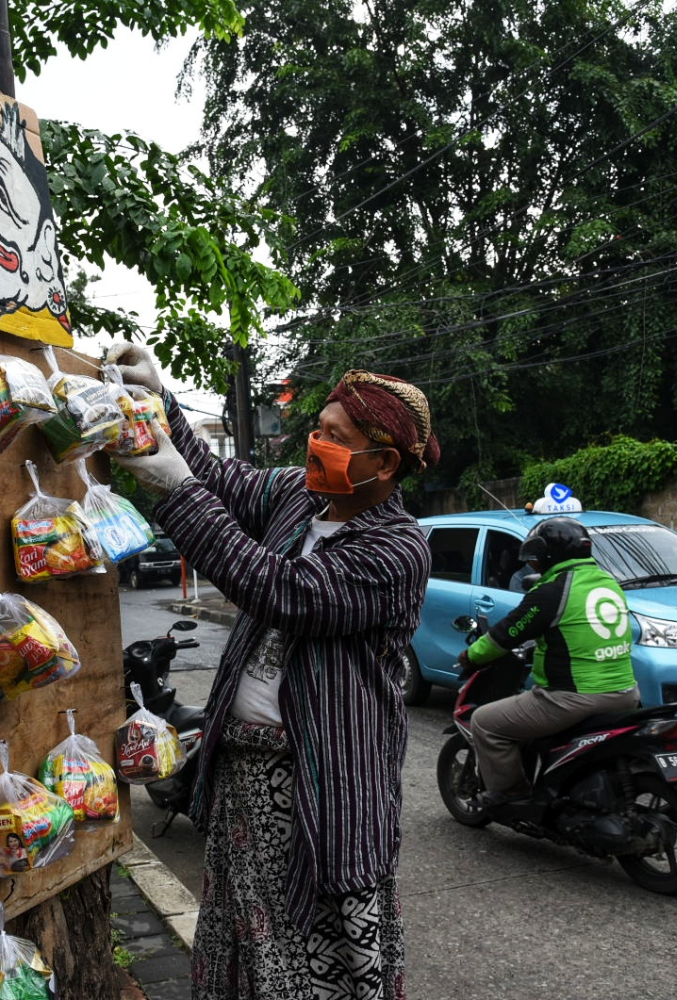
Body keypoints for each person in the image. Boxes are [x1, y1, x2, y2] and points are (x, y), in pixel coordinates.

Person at [108, 345, 440, 1000]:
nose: (317, 443)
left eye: (336, 437)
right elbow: (219, 478)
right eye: (318, 429)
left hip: (322, 784)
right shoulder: (300, 495)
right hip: (243, 770)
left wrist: (177, 490)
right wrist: (160, 402)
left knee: (316, 949)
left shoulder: (397, 549)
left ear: (384, 464)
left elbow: (282, 590)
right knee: (241, 932)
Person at [457, 516, 640, 808]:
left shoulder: (552, 591)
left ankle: (512, 794)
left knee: (485, 722)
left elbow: (506, 634)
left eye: (536, 558)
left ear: (549, 555)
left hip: (573, 698)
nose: (534, 565)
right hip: (627, 695)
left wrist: (471, 657)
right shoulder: (609, 582)